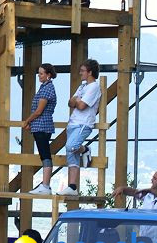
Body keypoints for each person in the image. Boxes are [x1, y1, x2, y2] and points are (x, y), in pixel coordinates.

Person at [59, 59, 102, 196]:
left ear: (90, 72)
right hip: (73, 122)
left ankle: (85, 149)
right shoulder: (82, 86)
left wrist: (77, 101)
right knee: (71, 154)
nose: (80, 73)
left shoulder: (94, 87)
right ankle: (72, 186)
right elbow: (70, 102)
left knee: (71, 146)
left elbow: (82, 105)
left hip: (83, 123)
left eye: (83, 71)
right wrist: (77, 101)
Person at [23, 63, 58, 194]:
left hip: (42, 125)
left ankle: (45, 185)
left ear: (48, 75)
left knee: (45, 155)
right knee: (44, 155)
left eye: (42, 73)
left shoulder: (47, 89)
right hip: (40, 125)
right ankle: (45, 184)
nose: (39, 75)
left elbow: (39, 111)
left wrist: (27, 121)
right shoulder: (45, 87)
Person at [115, 171, 157, 240]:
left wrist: (150, 190)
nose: (151, 180)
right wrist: (123, 189)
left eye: (154, 178)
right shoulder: (149, 194)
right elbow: (135, 192)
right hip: (145, 240)